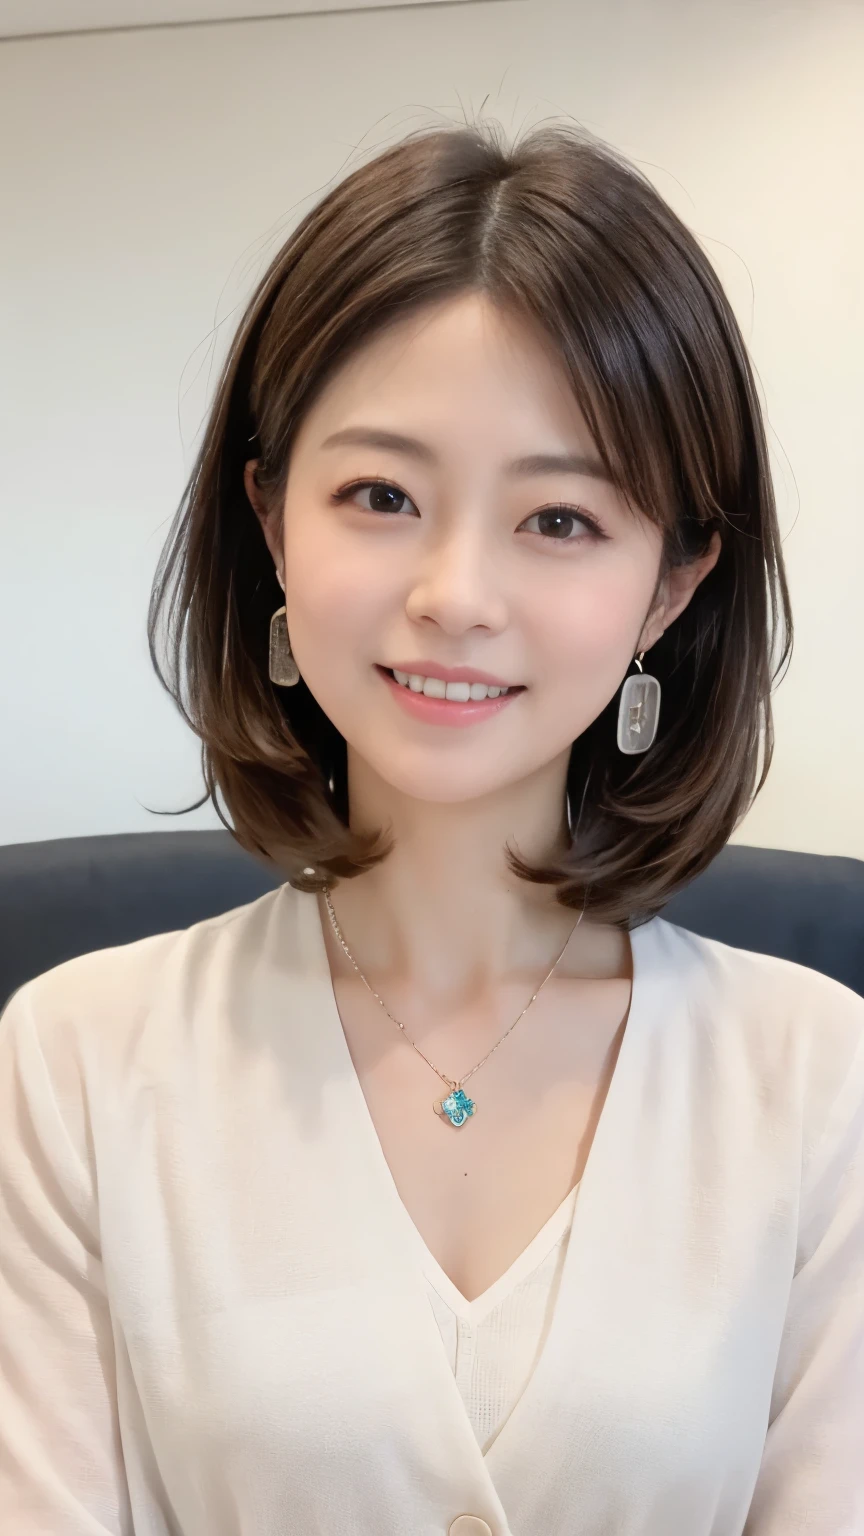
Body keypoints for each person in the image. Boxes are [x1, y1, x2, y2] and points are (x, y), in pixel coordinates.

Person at [1, 118, 862, 1536]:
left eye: (563, 520)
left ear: (673, 586)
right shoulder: (76, 1061)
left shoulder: (822, 1083)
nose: (456, 590)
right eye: (382, 497)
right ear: (272, 521)